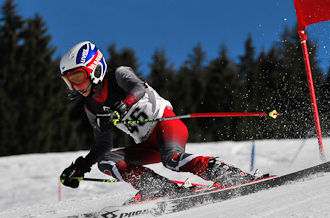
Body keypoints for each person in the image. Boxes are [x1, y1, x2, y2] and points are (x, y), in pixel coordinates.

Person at [59, 41, 257, 199]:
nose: (75, 87)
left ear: (95, 69)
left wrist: (123, 105)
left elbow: (138, 88)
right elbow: (103, 144)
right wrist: (82, 166)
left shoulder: (119, 75)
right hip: (147, 143)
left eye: (77, 78)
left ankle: (226, 174)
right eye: (69, 83)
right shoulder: (90, 107)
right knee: (107, 161)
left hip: (166, 124)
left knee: (171, 159)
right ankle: (158, 188)